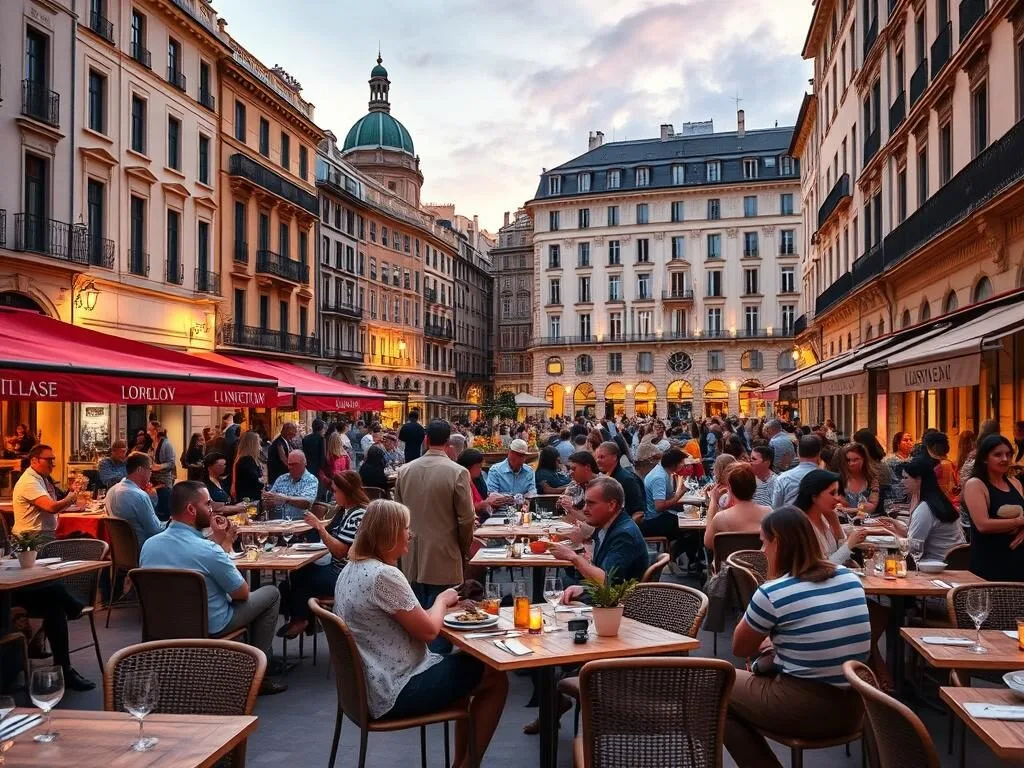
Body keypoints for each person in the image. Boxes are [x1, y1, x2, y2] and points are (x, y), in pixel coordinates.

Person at [333, 500, 508, 765]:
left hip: (364, 690)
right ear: (389, 534)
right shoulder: (383, 575)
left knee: (470, 669)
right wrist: (442, 600)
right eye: (405, 528)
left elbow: (405, 620)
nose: (410, 534)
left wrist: (443, 607)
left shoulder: (350, 570)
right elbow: (428, 632)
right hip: (394, 690)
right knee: (494, 676)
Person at [724, 506, 870, 768]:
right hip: (859, 706)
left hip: (807, 708)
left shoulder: (773, 592)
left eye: (764, 542)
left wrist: (769, 639)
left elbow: (740, 647)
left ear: (777, 542)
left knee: (716, 686)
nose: (761, 552)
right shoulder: (851, 579)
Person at [139, 481, 286, 695]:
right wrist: (223, 546)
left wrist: (219, 543)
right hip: (210, 625)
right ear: (191, 509)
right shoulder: (207, 550)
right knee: (270, 594)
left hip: (162, 624)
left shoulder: (149, 546)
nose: (212, 509)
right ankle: (256, 675)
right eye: (207, 504)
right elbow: (242, 593)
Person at [394, 420, 476, 615]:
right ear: (448, 442)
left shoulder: (404, 471)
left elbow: (397, 516)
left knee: (415, 616)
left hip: (410, 556)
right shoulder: (457, 472)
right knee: (442, 619)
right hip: (444, 555)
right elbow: (466, 518)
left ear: (426, 439)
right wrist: (464, 547)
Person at [277, 471, 369, 639]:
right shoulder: (345, 511)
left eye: (335, 491)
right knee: (292, 580)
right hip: (339, 570)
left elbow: (341, 552)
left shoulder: (358, 515)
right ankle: (304, 619)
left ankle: (302, 620)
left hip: (347, 575)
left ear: (346, 492)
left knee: (298, 577)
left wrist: (319, 527)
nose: (333, 495)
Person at [554, 476, 650, 601]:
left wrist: (573, 557)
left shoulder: (624, 534)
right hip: (609, 600)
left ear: (611, 505)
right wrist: (583, 589)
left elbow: (606, 581)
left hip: (618, 608)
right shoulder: (607, 527)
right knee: (565, 584)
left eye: (591, 503)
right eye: (585, 503)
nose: (584, 509)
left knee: (561, 585)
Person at [962, 434, 1024, 581]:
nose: (1005, 459)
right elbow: (983, 524)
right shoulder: (975, 484)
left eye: (1008, 455)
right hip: (989, 564)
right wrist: (1019, 522)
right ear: (984, 458)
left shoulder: (1015, 482)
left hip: (1019, 563)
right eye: (998, 455)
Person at [902, 456, 965, 561]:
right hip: (955, 563)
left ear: (918, 479)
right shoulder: (939, 501)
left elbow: (913, 548)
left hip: (933, 565)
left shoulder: (925, 509)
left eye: (905, 478)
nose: (901, 482)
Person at [12, 444, 80, 541]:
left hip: (43, 536)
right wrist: (71, 497)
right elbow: (51, 507)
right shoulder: (29, 481)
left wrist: (72, 491)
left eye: (53, 460)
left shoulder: (42, 478)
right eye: (49, 460)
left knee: (81, 536)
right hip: (31, 540)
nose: (53, 464)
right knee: (83, 541)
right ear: (34, 461)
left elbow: (58, 502)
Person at [704, 463, 771, 551]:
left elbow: (708, 544)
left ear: (730, 489)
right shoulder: (769, 513)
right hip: (759, 563)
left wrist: (713, 501)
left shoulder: (721, 518)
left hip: (731, 563)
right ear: (754, 487)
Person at [104, 451, 163, 547]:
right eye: (150, 469)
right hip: (143, 550)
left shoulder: (111, 491)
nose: (151, 474)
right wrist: (173, 524)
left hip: (121, 550)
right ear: (140, 469)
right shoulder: (139, 495)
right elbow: (155, 531)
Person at [640, 449, 688, 544]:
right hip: (653, 520)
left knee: (685, 513)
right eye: (681, 463)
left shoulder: (663, 471)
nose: (683, 465)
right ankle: (678, 552)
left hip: (659, 515)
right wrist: (678, 496)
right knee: (688, 527)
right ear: (674, 464)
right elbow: (659, 507)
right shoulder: (659, 478)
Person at [261, 450, 318, 521]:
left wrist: (285, 499)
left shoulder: (311, 480)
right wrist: (268, 501)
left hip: (299, 526)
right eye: (289, 464)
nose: (291, 467)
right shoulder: (281, 479)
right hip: (277, 525)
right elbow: (267, 503)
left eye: (295, 464)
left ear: (304, 463)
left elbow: (307, 503)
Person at [594, 441, 645, 519]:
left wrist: (620, 529)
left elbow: (638, 513)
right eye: (596, 457)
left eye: (602, 457)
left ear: (614, 457)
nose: (597, 461)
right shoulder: (607, 478)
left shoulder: (627, 480)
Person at [771, 435, 822, 508]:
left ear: (797, 452)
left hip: (789, 517)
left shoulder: (783, 478)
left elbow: (776, 507)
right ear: (819, 453)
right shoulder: (827, 478)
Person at [835, 443, 880, 517]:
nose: (851, 463)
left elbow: (872, 506)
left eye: (855, 460)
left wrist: (850, 510)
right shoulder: (840, 479)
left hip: (867, 523)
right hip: (844, 523)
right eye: (848, 460)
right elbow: (836, 506)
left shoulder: (871, 479)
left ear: (864, 459)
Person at [456, 448, 504, 518]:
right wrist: (487, 502)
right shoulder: (462, 482)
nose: (480, 470)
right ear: (470, 466)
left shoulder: (475, 480)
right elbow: (467, 508)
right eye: (479, 467)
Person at [147, 420, 176, 521]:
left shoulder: (166, 444)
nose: (148, 432)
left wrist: (158, 466)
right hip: (153, 482)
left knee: (164, 510)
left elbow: (172, 463)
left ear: (155, 431)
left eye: (149, 430)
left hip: (164, 483)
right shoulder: (152, 443)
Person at [231, 430, 264, 503]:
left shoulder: (244, 459)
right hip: (249, 500)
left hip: (247, 498)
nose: (260, 447)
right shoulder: (247, 460)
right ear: (252, 444)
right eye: (258, 443)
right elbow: (255, 480)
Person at [884, 431, 914, 509]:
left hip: (911, 498)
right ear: (898, 443)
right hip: (894, 498)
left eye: (911, 440)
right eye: (905, 440)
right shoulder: (890, 460)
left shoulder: (914, 459)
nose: (909, 442)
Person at [301, 418, 327, 483]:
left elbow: (304, 452)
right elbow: (322, 454)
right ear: (321, 428)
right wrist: (323, 467)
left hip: (307, 465)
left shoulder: (305, 438)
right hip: (317, 466)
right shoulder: (321, 439)